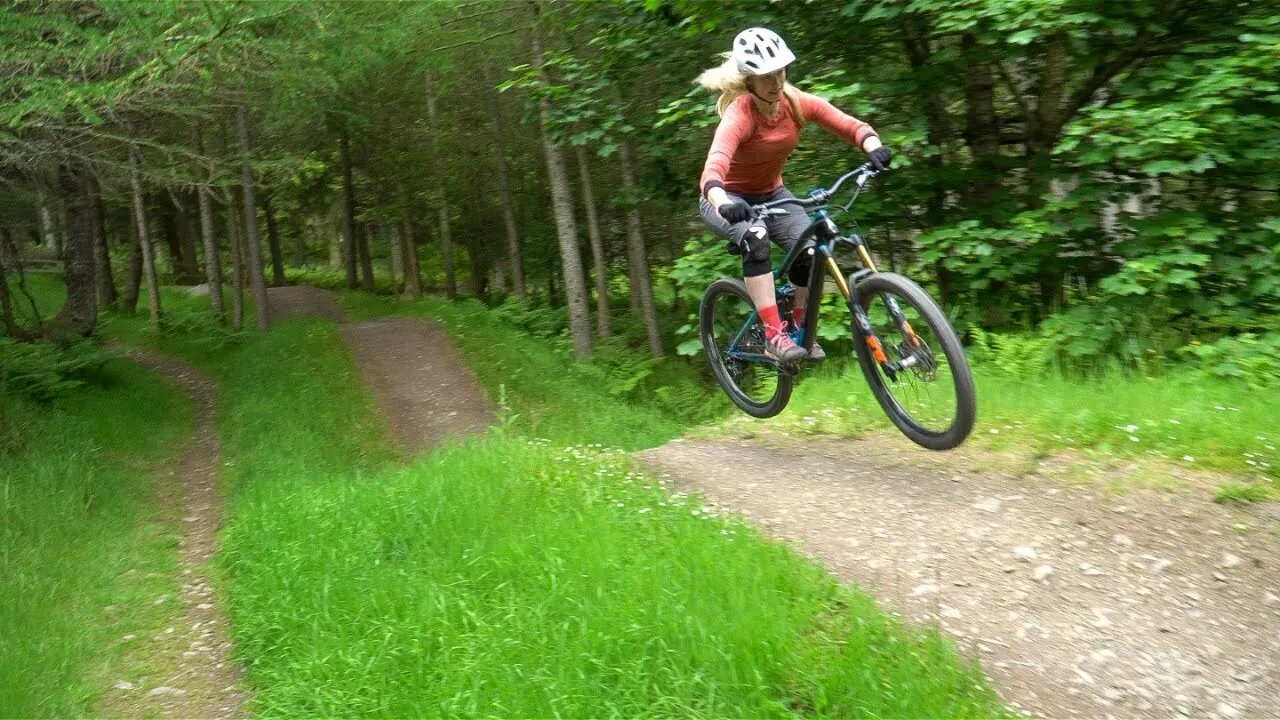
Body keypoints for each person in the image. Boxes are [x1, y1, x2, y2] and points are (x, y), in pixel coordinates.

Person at [696, 27, 893, 363]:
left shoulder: (796, 104)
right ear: (749, 81)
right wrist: (725, 202)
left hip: (773, 194)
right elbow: (712, 172)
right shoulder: (739, 115)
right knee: (755, 237)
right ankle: (774, 337)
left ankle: (799, 327)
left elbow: (850, 125)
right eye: (766, 76)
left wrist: (873, 146)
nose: (775, 82)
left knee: (812, 249)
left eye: (780, 72)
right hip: (727, 201)